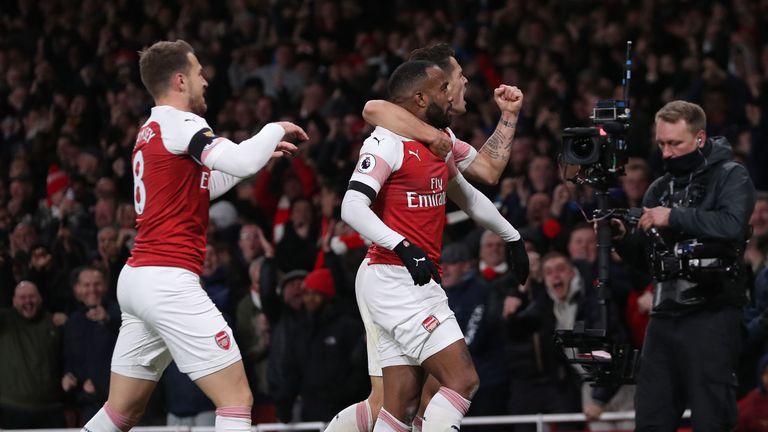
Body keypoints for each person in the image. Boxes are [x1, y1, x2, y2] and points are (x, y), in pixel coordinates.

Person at [81, 39, 308, 432]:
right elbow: (240, 157)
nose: (207, 80)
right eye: (200, 73)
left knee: (121, 412)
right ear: (181, 79)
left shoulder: (149, 130)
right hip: (169, 282)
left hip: (137, 279)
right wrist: (272, 129)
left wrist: (250, 162)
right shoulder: (183, 123)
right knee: (236, 399)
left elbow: (200, 187)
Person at [328, 42, 525, 432]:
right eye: (448, 84)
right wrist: (403, 247)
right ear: (422, 95)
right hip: (395, 277)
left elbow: (474, 187)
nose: (458, 88)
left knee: (397, 405)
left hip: (406, 276)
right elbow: (351, 207)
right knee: (462, 380)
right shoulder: (386, 141)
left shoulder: (441, 140)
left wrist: (512, 236)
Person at [611, 100, 755, 431]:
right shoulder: (659, 187)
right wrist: (621, 238)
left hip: (712, 311)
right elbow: (646, 259)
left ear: (700, 138)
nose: (667, 153)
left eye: (675, 143)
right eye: (661, 144)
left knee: (711, 418)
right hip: (664, 316)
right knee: (650, 417)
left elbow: (732, 225)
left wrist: (673, 216)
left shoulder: (731, 175)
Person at [0, 281, 64, 429]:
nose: (27, 301)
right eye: (22, 297)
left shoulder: (54, 322)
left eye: (32, 296)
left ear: (40, 299)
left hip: (50, 408)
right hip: (11, 408)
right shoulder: (5, 321)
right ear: (14, 301)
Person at [61, 266, 121, 422]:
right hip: (86, 404)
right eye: (86, 285)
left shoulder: (119, 313)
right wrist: (69, 374)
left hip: (116, 403)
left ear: (105, 286)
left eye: (97, 284)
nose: (92, 289)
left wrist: (107, 319)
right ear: (77, 289)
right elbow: (69, 357)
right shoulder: (73, 321)